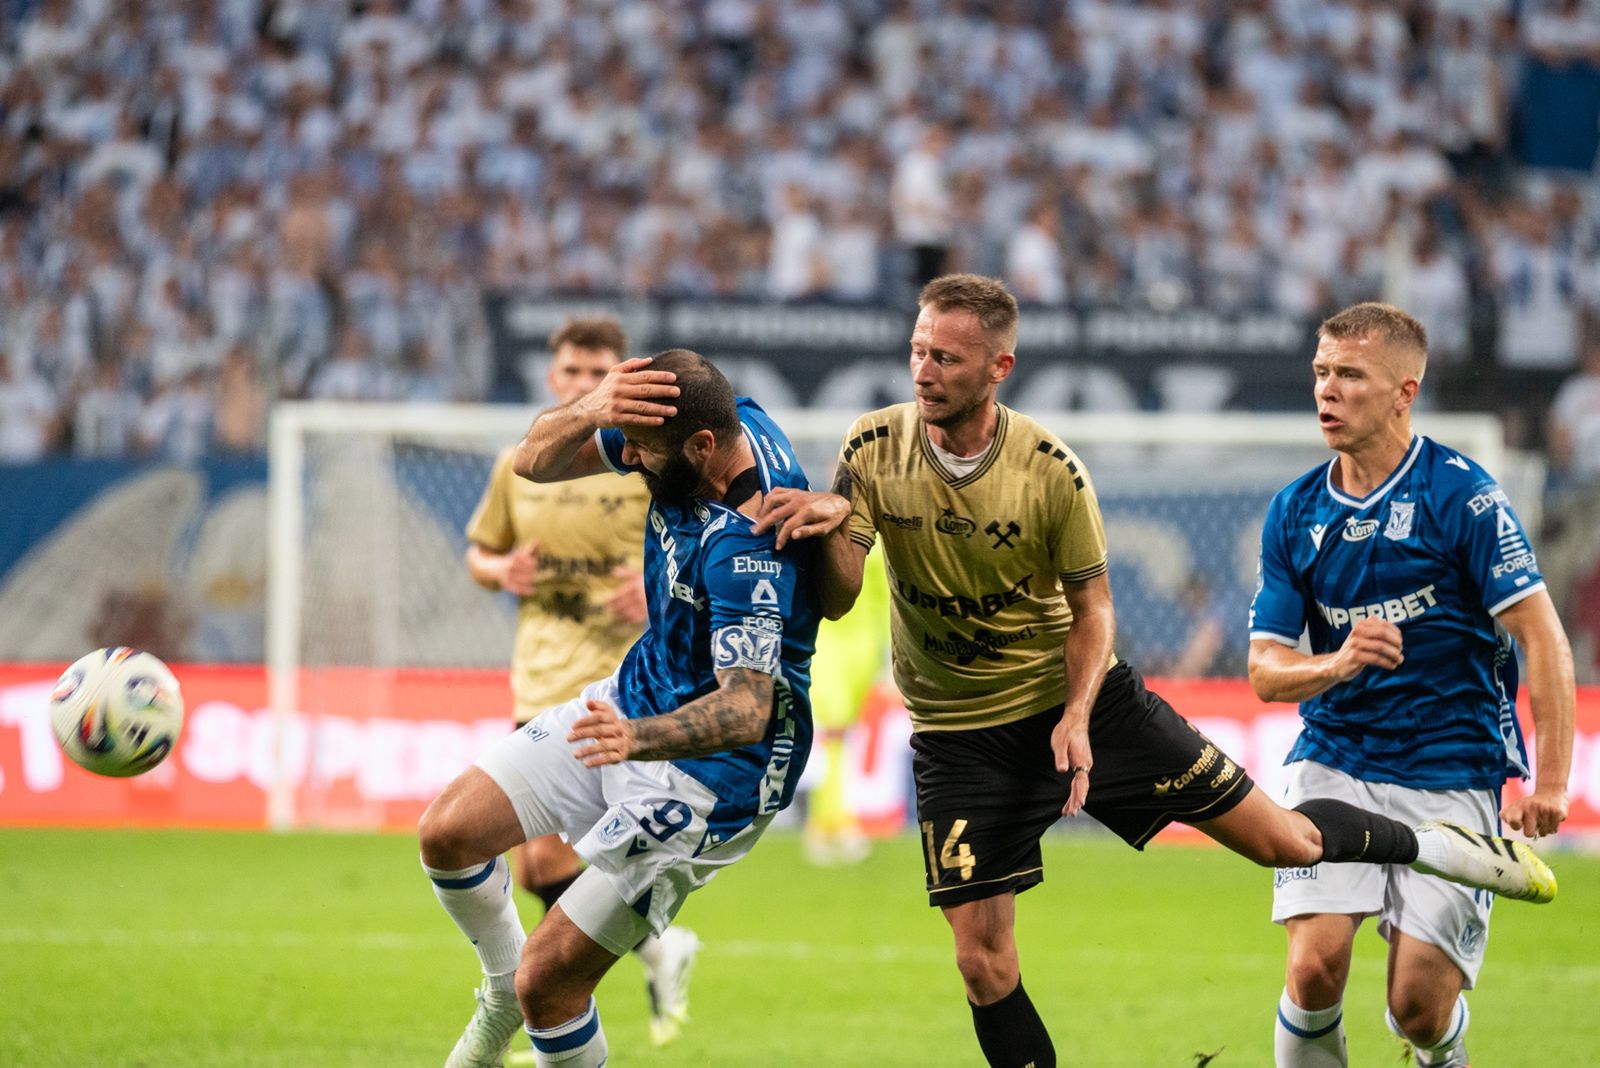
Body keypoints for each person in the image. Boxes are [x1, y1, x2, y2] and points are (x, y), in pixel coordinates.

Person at [753, 274, 1557, 1068]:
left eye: (947, 358)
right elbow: (837, 596)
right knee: (985, 964)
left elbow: (1095, 610)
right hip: (958, 735)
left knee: (1291, 852)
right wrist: (835, 527)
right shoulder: (870, 445)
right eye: (917, 352)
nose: (924, 371)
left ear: (999, 368)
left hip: (1089, 708)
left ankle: (1431, 847)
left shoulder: (1049, 470)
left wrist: (1074, 716)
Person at [419, 349, 821, 1068]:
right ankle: (500, 991)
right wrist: (593, 406)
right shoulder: (694, 430)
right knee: (448, 833)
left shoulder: (752, 537)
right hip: (633, 699)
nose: (627, 457)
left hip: (711, 779)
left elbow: (746, 710)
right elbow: (533, 464)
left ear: (702, 448)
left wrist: (635, 738)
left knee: (551, 984)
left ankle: (521, 994)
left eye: (642, 451)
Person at [1247, 301, 1575, 1068]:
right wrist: (1337, 664)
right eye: (1321, 373)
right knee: (1313, 965)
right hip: (1337, 758)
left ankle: (1441, 1052)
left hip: (1451, 770)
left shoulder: (1461, 495)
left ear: (1404, 391)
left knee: (1418, 1008)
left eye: (1350, 375)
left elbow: (1542, 636)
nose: (1327, 390)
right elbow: (1265, 672)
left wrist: (1552, 779)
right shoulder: (1295, 510)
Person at [463, 317, 699, 1049]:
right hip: (538, 673)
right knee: (539, 860)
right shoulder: (518, 465)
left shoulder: (637, 462)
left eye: (597, 372)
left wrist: (652, 587)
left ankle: (542, 997)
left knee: (546, 856)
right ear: (553, 379)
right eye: (570, 372)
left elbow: (689, 548)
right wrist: (503, 572)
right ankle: (642, 956)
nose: (581, 384)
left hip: (621, 683)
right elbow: (479, 552)